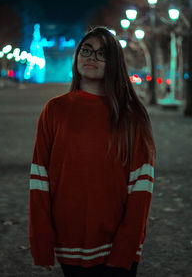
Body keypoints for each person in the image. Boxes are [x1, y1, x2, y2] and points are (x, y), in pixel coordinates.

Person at [29, 26, 155, 277]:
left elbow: (141, 184)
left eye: (102, 53)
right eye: (86, 50)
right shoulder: (54, 110)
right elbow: (39, 179)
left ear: (114, 63)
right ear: (76, 57)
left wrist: (127, 244)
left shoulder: (132, 115)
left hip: (116, 243)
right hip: (69, 239)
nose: (91, 57)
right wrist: (41, 239)